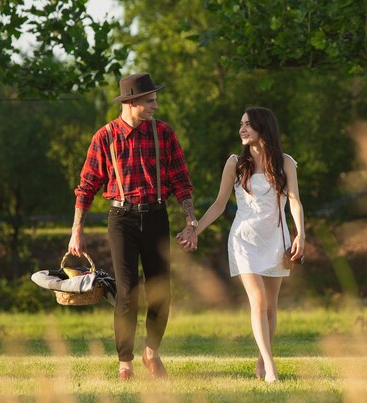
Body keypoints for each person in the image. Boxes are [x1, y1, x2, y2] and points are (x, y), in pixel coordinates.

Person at [68, 73, 198, 381]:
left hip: (156, 217)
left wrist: (191, 220)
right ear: (130, 102)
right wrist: (77, 230)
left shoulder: (164, 134)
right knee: (127, 293)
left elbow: (181, 181)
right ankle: (124, 362)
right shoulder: (105, 137)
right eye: (150, 100)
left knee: (161, 291)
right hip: (121, 220)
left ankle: (151, 352)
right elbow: (86, 187)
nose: (156, 105)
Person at [178, 107, 305, 383]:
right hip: (243, 241)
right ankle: (271, 368)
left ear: (264, 128)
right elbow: (219, 204)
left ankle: (261, 361)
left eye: (248, 125)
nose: (242, 129)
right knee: (257, 300)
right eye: (241, 125)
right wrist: (194, 229)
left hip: (276, 240)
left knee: (271, 307)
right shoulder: (235, 163)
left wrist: (300, 234)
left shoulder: (285, 163)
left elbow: (294, 200)